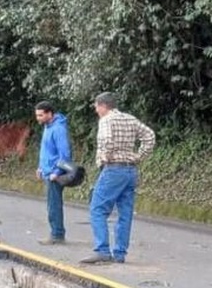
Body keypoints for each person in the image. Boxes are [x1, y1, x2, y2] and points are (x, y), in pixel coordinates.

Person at [81, 92, 156, 264]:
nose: (96, 110)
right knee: (125, 213)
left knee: (97, 209)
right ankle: (120, 253)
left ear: (103, 105)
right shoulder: (130, 119)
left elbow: (106, 140)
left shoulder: (106, 120)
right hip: (130, 171)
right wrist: (139, 156)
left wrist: (104, 157)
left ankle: (102, 250)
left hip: (113, 169)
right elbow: (150, 136)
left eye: (96, 107)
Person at [34, 101, 72, 245]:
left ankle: (57, 234)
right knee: (51, 204)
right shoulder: (47, 126)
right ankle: (56, 232)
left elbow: (65, 154)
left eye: (41, 115)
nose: (38, 118)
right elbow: (46, 150)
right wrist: (40, 167)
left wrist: (57, 172)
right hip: (47, 171)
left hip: (54, 174)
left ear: (50, 113)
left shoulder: (58, 129)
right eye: (37, 115)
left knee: (54, 205)